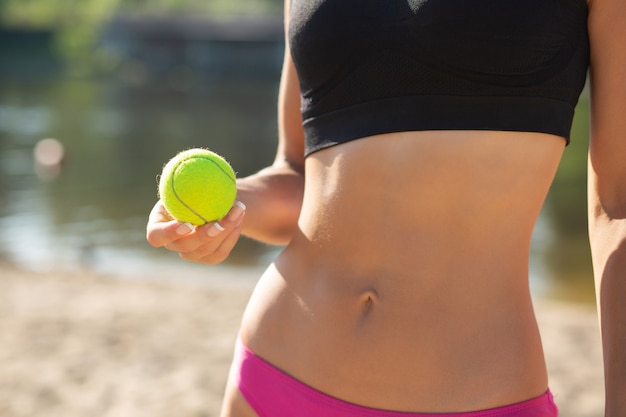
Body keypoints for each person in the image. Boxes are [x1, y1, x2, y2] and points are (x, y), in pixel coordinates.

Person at [147, 0, 626, 415]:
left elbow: (617, 206)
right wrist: (227, 211)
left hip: (477, 396)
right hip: (277, 374)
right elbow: (299, 176)